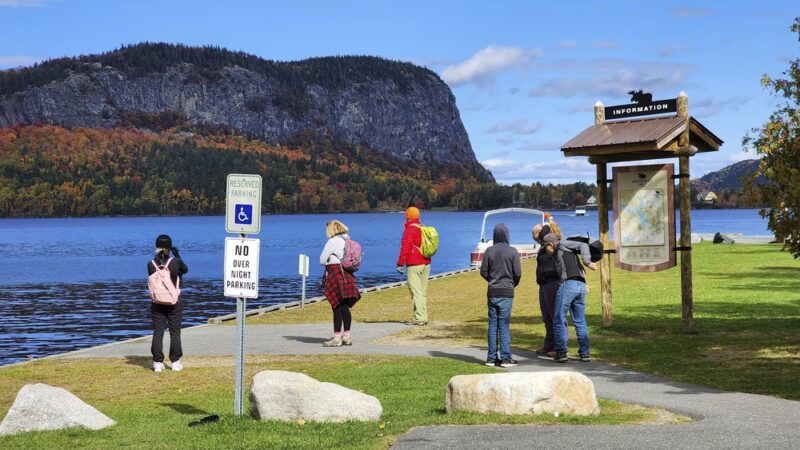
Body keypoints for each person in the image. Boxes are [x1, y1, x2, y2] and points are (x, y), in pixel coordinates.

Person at [545, 233, 596, 363]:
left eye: (545, 247)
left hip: (569, 285)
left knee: (558, 318)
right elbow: (574, 266)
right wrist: (584, 284)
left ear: (550, 244)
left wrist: (587, 261)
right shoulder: (562, 252)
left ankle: (561, 352)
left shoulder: (562, 244)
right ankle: (585, 353)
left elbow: (583, 245)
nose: (545, 250)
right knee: (579, 321)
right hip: (580, 285)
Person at [480, 223, 522, 367]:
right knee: (504, 325)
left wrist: (492, 280)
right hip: (507, 292)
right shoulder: (512, 251)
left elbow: (483, 271)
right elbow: (517, 273)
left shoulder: (489, 251)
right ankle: (505, 357)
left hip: (492, 291)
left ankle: (491, 357)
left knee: (492, 324)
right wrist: (511, 284)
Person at [148, 234, 188, 373]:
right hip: (173, 302)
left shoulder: (151, 264)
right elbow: (185, 270)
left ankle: (158, 363)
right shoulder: (175, 262)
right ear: (170, 247)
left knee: (158, 331)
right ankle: (175, 362)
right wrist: (177, 255)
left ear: (156, 247)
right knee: (174, 332)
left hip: (157, 302)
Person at [320, 219, 361, 347]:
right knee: (344, 307)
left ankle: (336, 338)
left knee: (336, 305)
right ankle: (346, 337)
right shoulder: (348, 240)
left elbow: (322, 260)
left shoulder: (332, 241)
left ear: (332, 230)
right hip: (347, 274)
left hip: (335, 274)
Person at [396, 206, 431, 325]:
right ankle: (422, 316)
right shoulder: (422, 227)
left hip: (414, 263)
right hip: (426, 262)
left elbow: (406, 248)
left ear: (407, 216)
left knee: (416, 291)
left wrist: (400, 263)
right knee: (422, 291)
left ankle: (420, 318)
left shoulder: (410, 229)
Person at [532, 223, 560, 358]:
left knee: (555, 315)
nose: (537, 241)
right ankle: (549, 344)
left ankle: (559, 347)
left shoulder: (553, 245)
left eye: (537, 238)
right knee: (547, 317)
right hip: (543, 283)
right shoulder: (543, 248)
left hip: (553, 282)